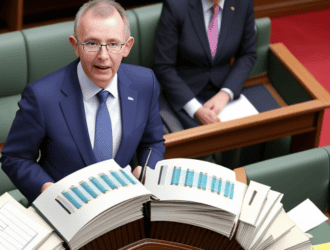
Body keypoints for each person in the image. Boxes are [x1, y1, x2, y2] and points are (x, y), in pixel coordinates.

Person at [0, 0, 165, 204]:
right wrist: (48, 190)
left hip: (123, 204)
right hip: (65, 210)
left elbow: (153, 142)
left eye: (113, 44)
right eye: (92, 43)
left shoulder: (144, 83)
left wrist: (148, 168)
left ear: (127, 46)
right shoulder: (42, 96)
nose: (103, 56)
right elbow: (15, 158)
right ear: (75, 46)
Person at [153, 0, 257, 129]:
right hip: (183, 92)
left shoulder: (242, 3)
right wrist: (195, 108)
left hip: (224, 89)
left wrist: (226, 93)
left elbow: (247, 55)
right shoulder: (176, 5)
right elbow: (163, 66)